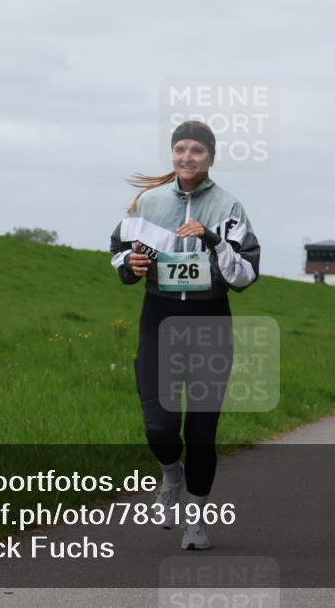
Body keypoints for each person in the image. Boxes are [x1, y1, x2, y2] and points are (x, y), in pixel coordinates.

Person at [109, 121, 260, 550]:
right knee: (159, 426)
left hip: (210, 320)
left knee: (201, 431)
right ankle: (170, 473)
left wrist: (212, 239)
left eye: (197, 151)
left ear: (210, 157)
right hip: (159, 318)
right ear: (172, 155)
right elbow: (120, 250)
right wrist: (130, 266)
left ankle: (196, 520)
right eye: (180, 150)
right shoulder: (150, 203)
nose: (187, 157)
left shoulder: (230, 206)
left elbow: (245, 274)